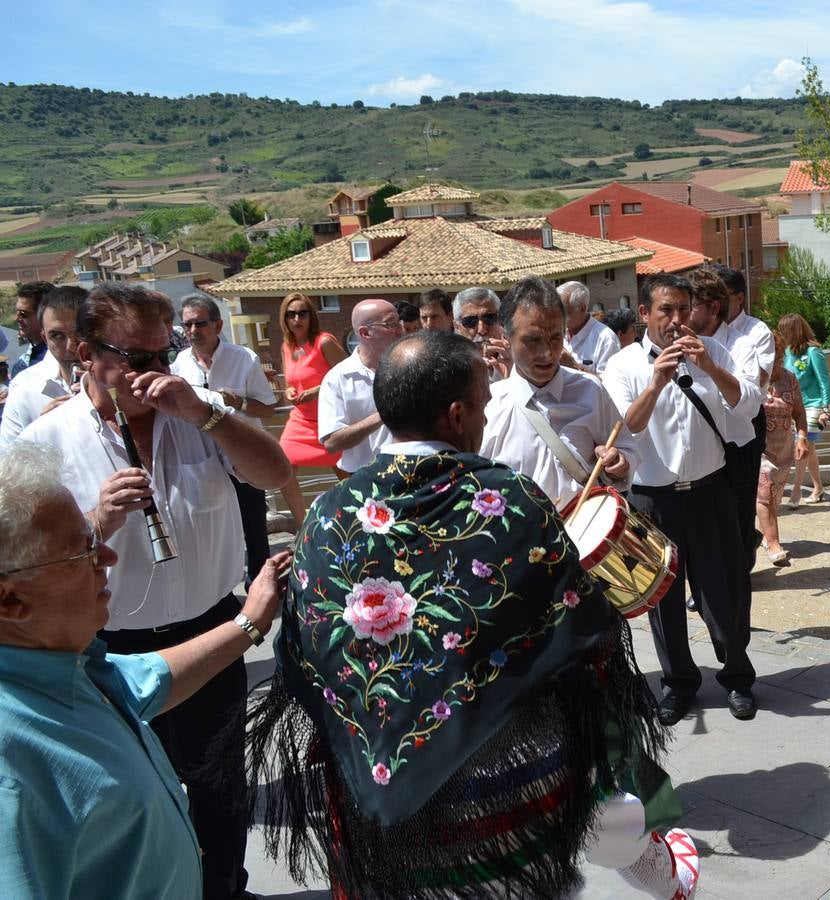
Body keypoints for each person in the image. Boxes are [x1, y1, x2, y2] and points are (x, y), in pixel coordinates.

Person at [244, 331, 699, 900]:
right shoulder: (507, 499)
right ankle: (656, 864)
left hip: (383, 816)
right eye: (483, 405)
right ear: (457, 415)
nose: (486, 418)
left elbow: (310, 655)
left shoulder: (328, 513)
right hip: (513, 794)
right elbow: (586, 637)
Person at [20, 282, 293, 899]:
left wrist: (205, 414)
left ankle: (225, 888)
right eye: (136, 359)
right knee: (134, 793)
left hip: (212, 631)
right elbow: (29, 564)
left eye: (163, 354)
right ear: (88, 356)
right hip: (108, 649)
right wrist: (95, 524)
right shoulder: (46, 442)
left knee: (222, 788)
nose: (154, 374)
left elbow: (274, 472)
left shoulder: (197, 413)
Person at [603, 273, 762, 723]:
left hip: (710, 493)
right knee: (663, 601)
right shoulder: (622, 366)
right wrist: (656, 381)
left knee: (723, 592)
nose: (676, 320)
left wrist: (710, 366)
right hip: (653, 499)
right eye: (665, 311)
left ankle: (737, 676)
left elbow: (748, 405)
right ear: (644, 315)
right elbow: (624, 426)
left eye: (682, 309)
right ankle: (679, 682)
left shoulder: (713, 350)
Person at [479, 276, 636, 510]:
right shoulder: (488, 407)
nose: (547, 353)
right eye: (532, 340)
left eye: (555, 338)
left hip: (587, 539)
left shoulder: (591, 390)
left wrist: (620, 464)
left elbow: (627, 451)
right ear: (505, 338)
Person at [172, 295, 279, 582]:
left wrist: (239, 403)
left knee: (253, 524)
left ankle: (260, 585)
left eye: (200, 323)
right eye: (187, 325)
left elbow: (268, 409)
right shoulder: (179, 363)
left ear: (218, 325)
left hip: (241, 456)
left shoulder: (244, 358)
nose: (193, 331)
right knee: (210, 526)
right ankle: (217, 587)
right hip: (200, 458)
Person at [710, 265, 774, 573]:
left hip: (746, 420)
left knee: (741, 497)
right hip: (711, 421)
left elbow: (759, 379)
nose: (714, 305)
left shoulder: (756, 332)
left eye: (719, 297)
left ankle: (741, 562)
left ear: (738, 298)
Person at [277, 292, 346, 522]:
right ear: (284, 318)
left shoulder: (324, 342)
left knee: (345, 472)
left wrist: (316, 392)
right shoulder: (287, 346)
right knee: (282, 468)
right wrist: (289, 391)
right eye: (291, 314)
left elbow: (347, 376)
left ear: (311, 316)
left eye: (302, 313)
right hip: (300, 420)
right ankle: (301, 524)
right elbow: (290, 381)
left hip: (329, 420)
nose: (297, 319)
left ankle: (356, 517)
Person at [318, 299, 399, 475]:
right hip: (364, 480)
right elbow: (332, 442)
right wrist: (383, 415)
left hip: (411, 475)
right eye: (390, 324)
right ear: (365, 333)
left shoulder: (411, 368)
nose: (400, 330)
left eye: (398, 322)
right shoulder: (337, 379)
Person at [0, 285, 87, 447]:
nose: (70, 347)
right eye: (57, 336)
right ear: (45, 339)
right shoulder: (23, 390)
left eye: (80, 334)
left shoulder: (124, 380)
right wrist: (41, 433)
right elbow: (6, 467)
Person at [757, 332, 809, 566]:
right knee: (764, 494)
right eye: (772, 358)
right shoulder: (754, 379)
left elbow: (799, 412)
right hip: (760, 449)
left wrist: (802, 438)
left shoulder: (790, 379)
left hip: (784, 449)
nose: (776, 363)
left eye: (779, 358)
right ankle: (774, 542)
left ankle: (766, 536)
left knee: (774, 496)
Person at [779, 313, 830, 507]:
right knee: (808, 449)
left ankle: (797, 489)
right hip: (793, 405)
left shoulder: (813, 352)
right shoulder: (786, 352)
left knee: (800, 446)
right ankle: (818, 488)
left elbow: (824, 380)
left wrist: (826, 408)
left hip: (814, 404)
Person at [559, 281, 621, 374]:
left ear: (583, 308)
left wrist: (573, 367)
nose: (558, 318)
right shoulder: (557, 334)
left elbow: (608, 385)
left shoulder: (606, 339)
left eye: (564, 313)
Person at [454, 286, 512, 381]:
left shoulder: (520, 361)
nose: (482, 330)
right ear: (457, 327)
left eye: (489, 318)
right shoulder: (449, 369)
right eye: (470, 321)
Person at [9, 280, 53, 378]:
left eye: (23, 314)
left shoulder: (56, 359)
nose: (17, 319)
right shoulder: (23, 363)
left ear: (44, 315)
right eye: (17, 312)